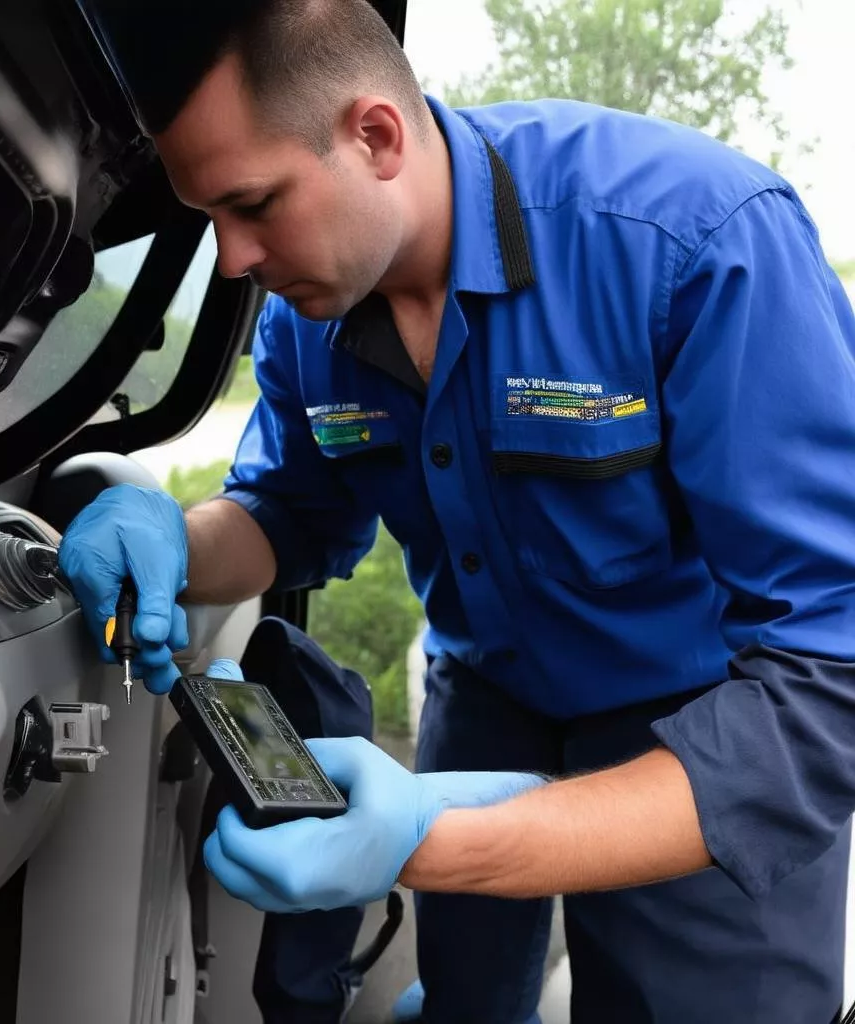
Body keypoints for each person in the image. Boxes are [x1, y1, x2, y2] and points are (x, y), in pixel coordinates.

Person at [58, 1, 855, 1021]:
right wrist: (172, 534)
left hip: (700, 728)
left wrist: (438, 837)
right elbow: (287, 512)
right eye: (209, 216)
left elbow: (827, 682)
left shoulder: (691, 243)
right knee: (468, 1002)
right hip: (485, 696)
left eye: (252, 203)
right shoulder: (312, 319)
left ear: (375, 136)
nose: (233, 258)